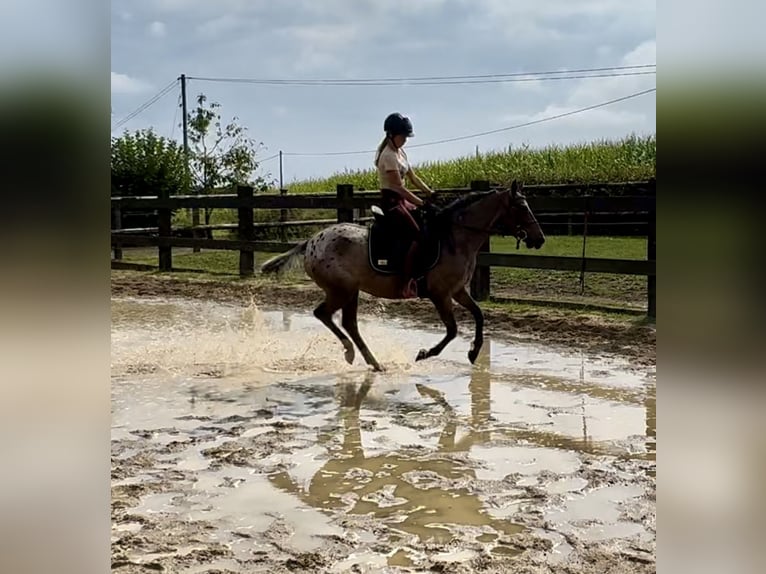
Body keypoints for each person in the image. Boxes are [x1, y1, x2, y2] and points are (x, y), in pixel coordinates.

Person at [374, 112, 435, 298]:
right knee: (416, 234)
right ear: (391, 134)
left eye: (406, 137)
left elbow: (413, 177)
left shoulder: (400, 153)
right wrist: (422, 202)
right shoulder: (388, 156)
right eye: (403, 136)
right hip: (392, 202)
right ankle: (406, 282)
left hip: (403, 200)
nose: (405, 140)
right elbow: (399, 188)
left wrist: (430, 193)